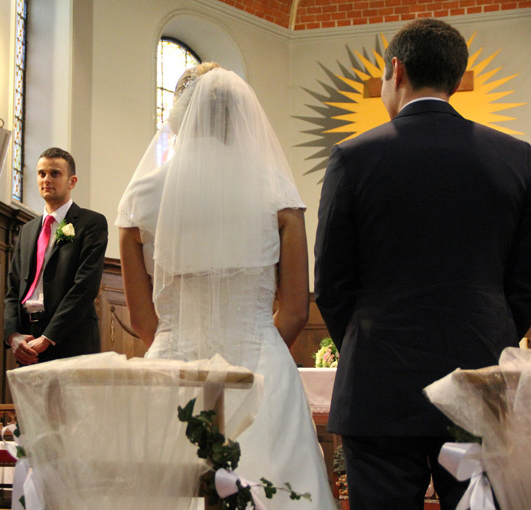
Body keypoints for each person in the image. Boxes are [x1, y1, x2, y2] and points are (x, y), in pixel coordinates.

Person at [314, 18, 531, 510]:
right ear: (455, 77)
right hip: (481, 381)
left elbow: (331, 283)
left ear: (396, 70)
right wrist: (491, 337)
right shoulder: (517, 159)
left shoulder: (352, 157)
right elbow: (524, 283)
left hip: (379, 384)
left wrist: (368, 341)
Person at [117, 63, 335, 509]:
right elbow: (296, 309)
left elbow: (142, 320)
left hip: (172, 369)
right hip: (261, 369)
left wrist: (180, 348)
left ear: (177, 116)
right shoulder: (277, 190)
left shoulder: (140, 197)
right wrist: (256, 349)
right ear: (240, 117)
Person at [4, 147, 108, 365]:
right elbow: (13, 290)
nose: (46, 179)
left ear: (72, 181)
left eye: (55, 173)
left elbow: (85, 287)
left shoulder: (90, 223)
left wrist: (48, 337)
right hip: (28, 339)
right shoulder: (27, 230)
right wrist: (13, 336)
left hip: (70, 337)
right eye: (41, 174)